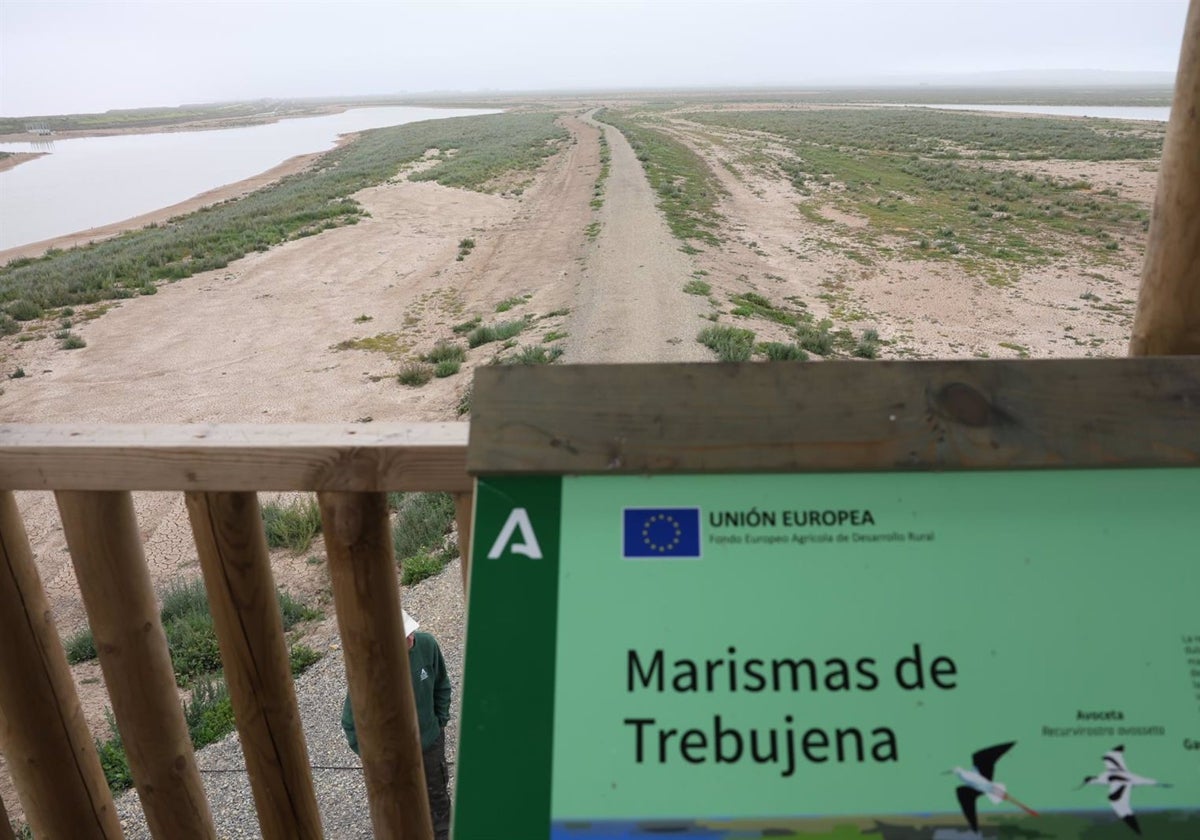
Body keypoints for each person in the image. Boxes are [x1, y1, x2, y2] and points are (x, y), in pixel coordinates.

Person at [342, 608, 452, 839]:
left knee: (438, 802)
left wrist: (439, 723)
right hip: (394, 759)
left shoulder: (426, 645)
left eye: (411, 631)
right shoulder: (368, 669)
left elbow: (442, 684)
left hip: (430, 744)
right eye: (405, 636)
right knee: (401, 808)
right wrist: (374, 757)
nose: (411, 637)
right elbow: (351, 723)